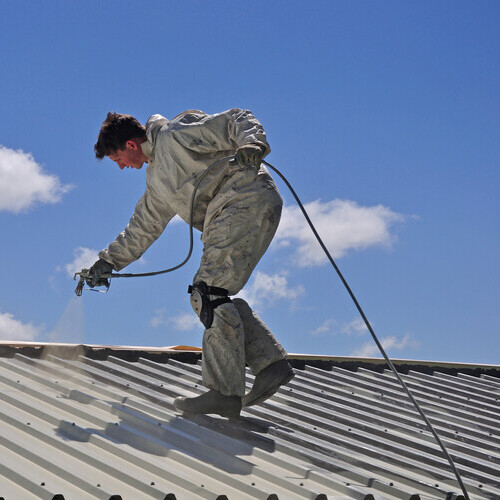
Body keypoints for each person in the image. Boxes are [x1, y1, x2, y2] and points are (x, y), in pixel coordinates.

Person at [88, 108, 294, 418]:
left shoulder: (175, 136)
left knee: (208, 293)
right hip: (243, 208)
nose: (120, 167)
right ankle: (270, 364)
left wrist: (253, 144)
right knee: (215, 295)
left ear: (131, 145)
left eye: (117, 159)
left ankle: (225, 392)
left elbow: (235, 119)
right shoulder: (157, 182)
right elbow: (142, 227)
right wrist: (108, 262)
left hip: (243, 196)